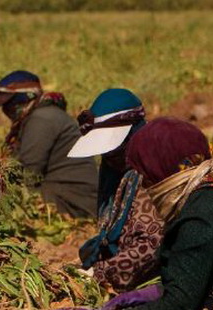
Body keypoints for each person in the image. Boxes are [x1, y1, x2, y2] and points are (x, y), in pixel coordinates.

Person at [63, 117, 213, 310]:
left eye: (146, 176)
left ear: (163, 169)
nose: (146, 185)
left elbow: (180, 305)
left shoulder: (202, 214)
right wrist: (148, 294)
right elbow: (194, 274)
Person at [69, 88, 164, 292]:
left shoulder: (153, 174)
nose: (110, 158)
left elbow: (153, 246)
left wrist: (102, 272)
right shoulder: (112, 169)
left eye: (115, 151)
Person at [0, 70, 98, 218]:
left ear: (23, 99)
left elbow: (29, 174)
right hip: (63, 191)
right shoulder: (41, 115)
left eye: (9, 105)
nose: (7, 111)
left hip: (74, 200)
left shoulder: (42, 119)